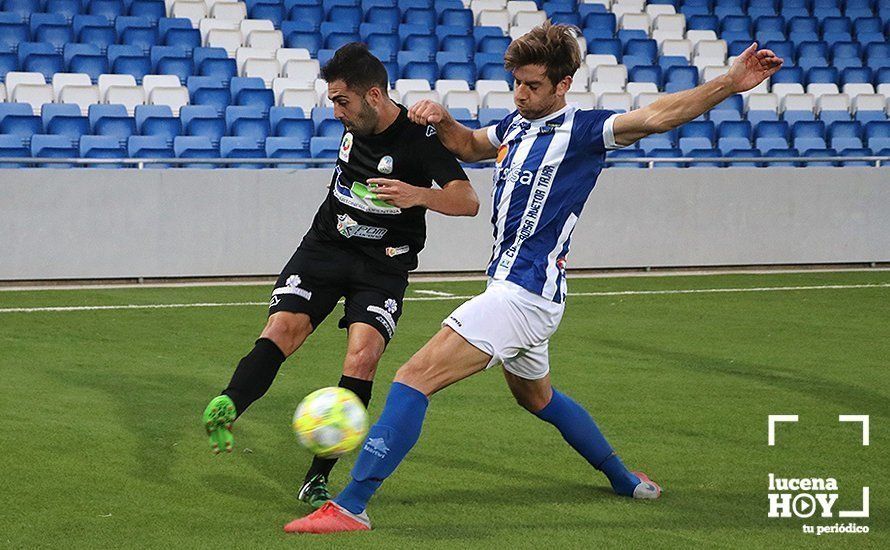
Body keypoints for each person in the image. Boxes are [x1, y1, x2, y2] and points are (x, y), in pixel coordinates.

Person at [283, 23, 783, 534]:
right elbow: (470, 145)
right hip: (520, 291)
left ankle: (349, 506)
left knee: (413, 377)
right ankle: (623, 479)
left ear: (563, 85)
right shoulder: (515, 125)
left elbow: (657, 117)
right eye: (517, 84)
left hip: (524, 294)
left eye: (534, 86)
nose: (521, 94)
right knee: (537, 398)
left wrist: (728, 82)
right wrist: (441, 117)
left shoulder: (587, 130)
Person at [202, 43, 479, 508]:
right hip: (325, 248)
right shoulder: (356, 122)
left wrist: (417, 195)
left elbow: (467, 201)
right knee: (283, 327)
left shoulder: (418, 139)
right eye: (332, 101)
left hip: (383, 264)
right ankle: (229, 405)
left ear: (373, 96)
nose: (335, 112)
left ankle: (318, 476)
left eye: (341, 101)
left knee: (363, 354)